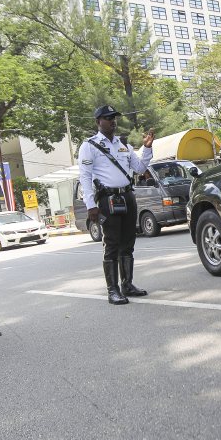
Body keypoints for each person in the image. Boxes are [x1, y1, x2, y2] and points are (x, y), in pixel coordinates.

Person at [78, 105, 155, 305]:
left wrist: (146, 148)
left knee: (128, 242)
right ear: (98, 122)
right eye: (107, 118)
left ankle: (127, 284)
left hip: (127, 196)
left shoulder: (124, 145)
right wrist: (90, 205)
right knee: (111, 244)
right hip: (107, 199)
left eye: (114, 118)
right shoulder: (90, 145)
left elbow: (139, 168)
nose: (112, 121)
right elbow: (85, 177)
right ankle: (112, 290)